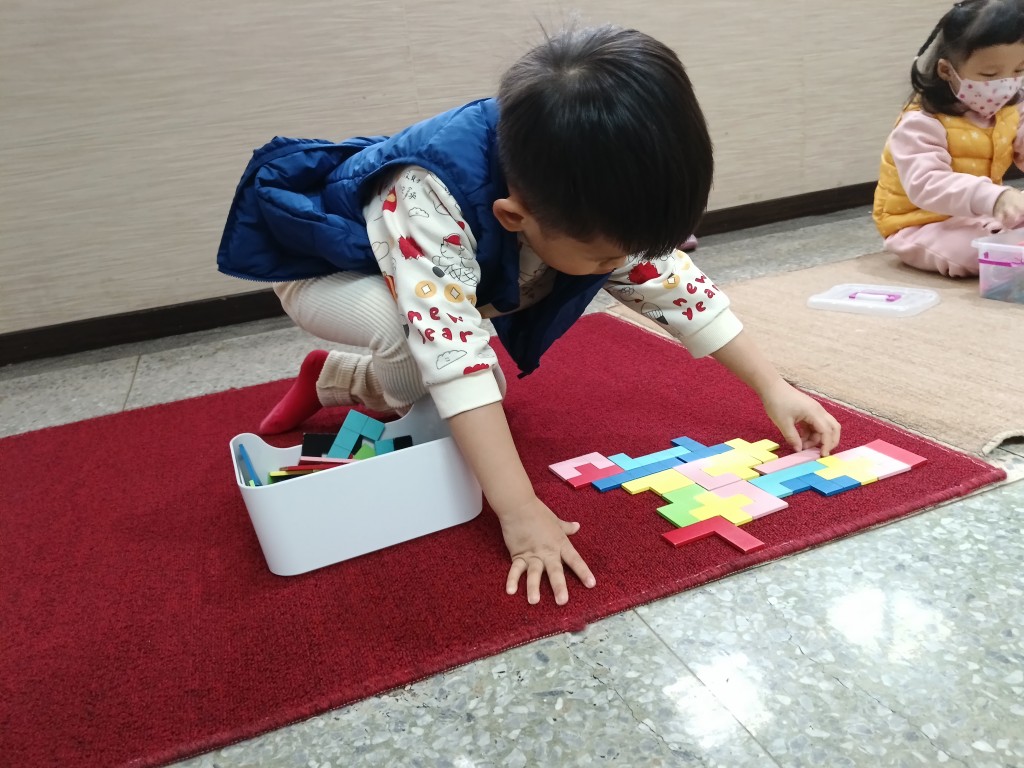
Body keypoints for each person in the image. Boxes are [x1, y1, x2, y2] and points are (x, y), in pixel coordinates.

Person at [217, 24, 841, 606]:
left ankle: (335, 379)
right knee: (426, 351)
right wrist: (518, 511)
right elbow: (452, 351)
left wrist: (773, 387)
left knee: (466, 380)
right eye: (607, 257)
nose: (622, 265)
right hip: (323, 271)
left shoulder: (579, 181)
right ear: (514, 217)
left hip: (429, 269)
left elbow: (673, 286)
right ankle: (365, 375)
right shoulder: (430, 193)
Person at [873, 0, 1024, 277]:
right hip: (919, 224)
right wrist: (996, 197)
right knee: (975, 252)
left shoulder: (1012, 107)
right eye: (989, 74)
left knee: (1003, 238)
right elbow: (927, 184)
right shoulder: (921, 122)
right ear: (946, 71)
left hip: (981, 214)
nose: (1006, 83)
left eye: (1019, 70)